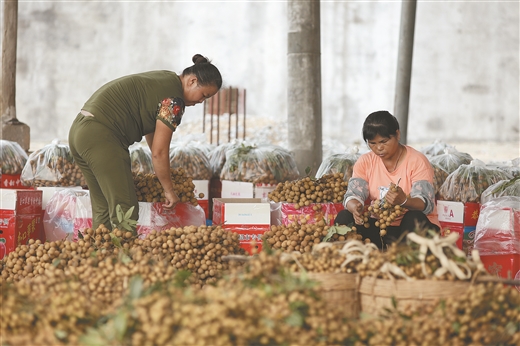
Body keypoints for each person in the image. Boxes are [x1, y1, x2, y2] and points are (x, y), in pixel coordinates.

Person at [68, 54, 222, 231]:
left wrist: (161, 168)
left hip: (80, 132)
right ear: (192, 81)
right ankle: (122, 256)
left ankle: (98, 254)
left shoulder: (166, 78)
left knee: (103, 205)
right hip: (102, 137)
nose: (201, 102)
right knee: (125, 209)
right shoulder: (174, 101)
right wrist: (169, 189)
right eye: (203, 95)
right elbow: (159, 152)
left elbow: (153, 134)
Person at [334, 110, 440, 248]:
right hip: (380, 228)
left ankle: (405, 261)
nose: (379, 148)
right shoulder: (366, 161)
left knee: (414, 217)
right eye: (372, 143)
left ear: (397, 134)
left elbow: (425, 203)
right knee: (344, 217)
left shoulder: (417, 161)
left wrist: (404, 201)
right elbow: (353, 193)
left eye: (384, 141)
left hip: (410, 231)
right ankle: (340, 261)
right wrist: (355, 206)